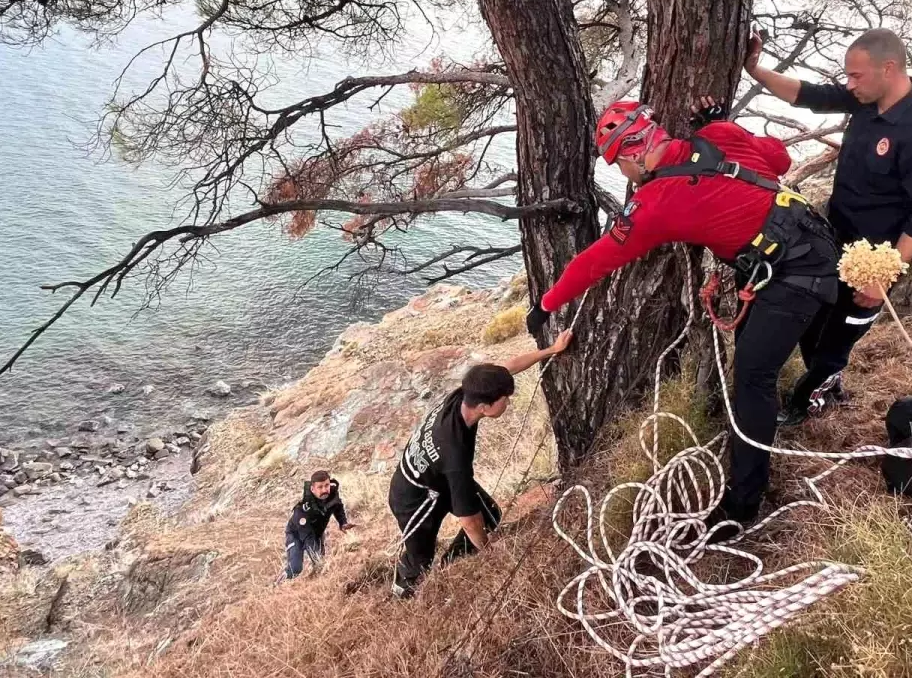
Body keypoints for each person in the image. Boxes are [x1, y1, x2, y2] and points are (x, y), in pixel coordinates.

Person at [525, 99, 839, 526]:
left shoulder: (654, 205)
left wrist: (545, 305)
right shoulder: (718, 135)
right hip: (809, 244)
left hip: (797, 275)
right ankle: (766, 424)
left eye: (619, 165)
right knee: (751, 363)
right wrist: (727, 127)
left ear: (634, 151)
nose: (625, 175)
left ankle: (743, 505)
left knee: (753, 378)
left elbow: (593, 262)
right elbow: (779, 159)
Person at [744, 27, 912, 427]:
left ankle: (807, 405)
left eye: (855, 75)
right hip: (832, 238)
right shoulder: (866, 98)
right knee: (812, 322)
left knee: (837, 339)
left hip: (874, 259)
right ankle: (827, 388)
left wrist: (882, 277)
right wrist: (755, 70)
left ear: (888, 68)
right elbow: (809, 95)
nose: (849, 84)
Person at [389, 330, 573, 599]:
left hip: (435, 475)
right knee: (420, 559)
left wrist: (551, 350)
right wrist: (488, 551)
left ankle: (452, 564)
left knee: (490, 514)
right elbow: (469, 521)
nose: (508, 401)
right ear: (485, 407)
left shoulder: (465, 394)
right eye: (505, 399)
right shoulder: (455, 455)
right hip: (415, 498)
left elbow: (508, 368)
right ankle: (402, 592)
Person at [284, 470, 354, 579]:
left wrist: (343, 523)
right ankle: (279, 583)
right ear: (312, 489)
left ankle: (315, 581)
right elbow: (308, 536)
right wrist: (316, 557)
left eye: (327, 485)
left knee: (320, 567)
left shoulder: (332, 495)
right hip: (296, 534)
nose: (324, 490)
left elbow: (338, 507)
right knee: (295, 569)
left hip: (317, 533)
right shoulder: (304, 508)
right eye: (320, 487)